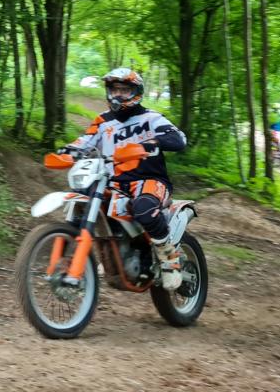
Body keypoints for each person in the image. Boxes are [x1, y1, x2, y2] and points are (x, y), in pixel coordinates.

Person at [60, 68, 188, 289]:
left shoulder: (151, 118)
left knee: (144, 209)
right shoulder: (102, 121)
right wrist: (67, 150)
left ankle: (169, 258)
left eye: (124, 90)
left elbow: (179, 139)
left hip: (150, 180)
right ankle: (93, 255)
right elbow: (84, 142)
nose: (118, 95)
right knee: (83, 200)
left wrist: (153, 143)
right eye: (114, 90)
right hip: (114, 183)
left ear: (136, 92)